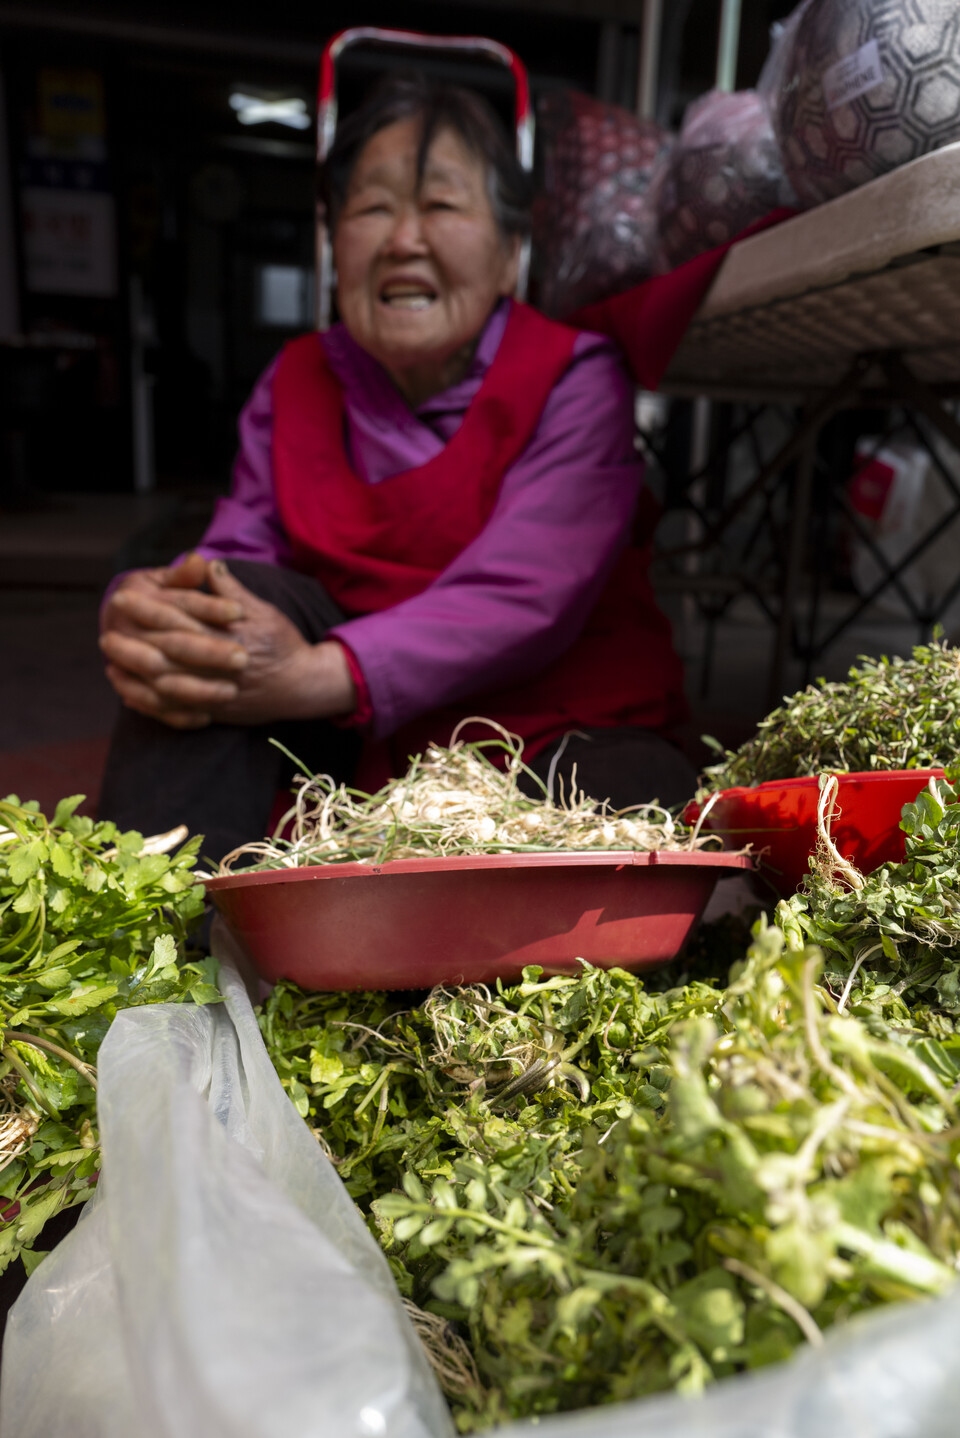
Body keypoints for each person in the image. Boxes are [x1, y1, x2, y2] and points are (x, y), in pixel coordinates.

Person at [98, 76, 694, 861]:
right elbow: (238, 558)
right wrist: (158, 613)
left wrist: (321, 675)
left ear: (512, 252)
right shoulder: (296, 378)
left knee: (628, 808)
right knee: (213, 632)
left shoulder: (574, 376)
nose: (403, 239)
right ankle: (157, 938)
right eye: (373, 208)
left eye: (442, 206)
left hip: (545, 720)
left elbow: (526, 594)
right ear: (332, 241)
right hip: (358, 732)